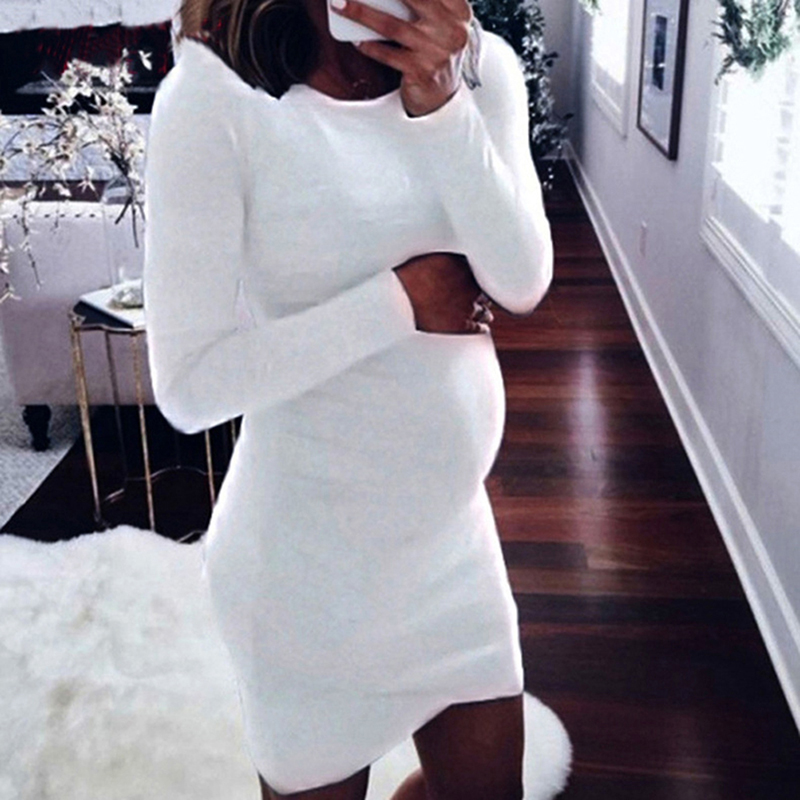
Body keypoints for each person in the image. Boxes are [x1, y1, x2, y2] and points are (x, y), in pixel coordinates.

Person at [142, 0, 554, 797]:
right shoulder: (214, 97)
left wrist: (441, 104)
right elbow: (189, 385)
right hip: (307, 580)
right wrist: (401, 300)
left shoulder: (481, 68)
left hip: (451, 548)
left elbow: (520, 280)